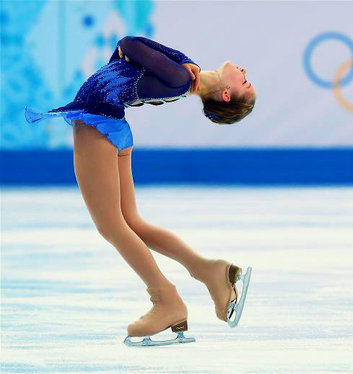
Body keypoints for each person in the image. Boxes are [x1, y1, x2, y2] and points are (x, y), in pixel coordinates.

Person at [24, 35, 254, 346]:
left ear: (225, 95)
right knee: (131, 223)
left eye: (246, 82)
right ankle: (211, 272)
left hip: (98, 126)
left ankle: (166, 300)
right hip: (111, 126)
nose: (244, 71)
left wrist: (179, 59)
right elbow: (125, 55)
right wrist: (184, 60)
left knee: (112, 226)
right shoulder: (185, 75)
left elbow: (128, 44)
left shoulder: (180, 76)